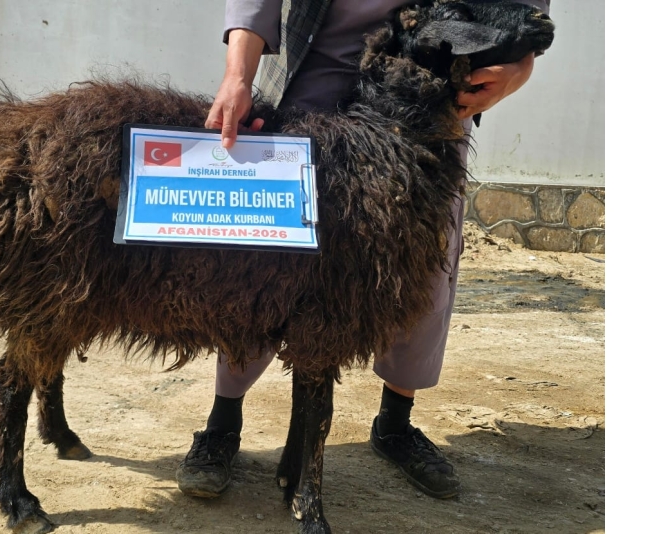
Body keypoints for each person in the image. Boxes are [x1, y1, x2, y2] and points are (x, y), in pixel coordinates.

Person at [175, 0, 549, 500]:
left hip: (428, 82)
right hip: (318, 69)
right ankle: (223, 422)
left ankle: (395, 423)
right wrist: (238, 73)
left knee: (421, 266)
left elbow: (525, 10)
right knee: (272, 264)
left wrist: (517, 67)